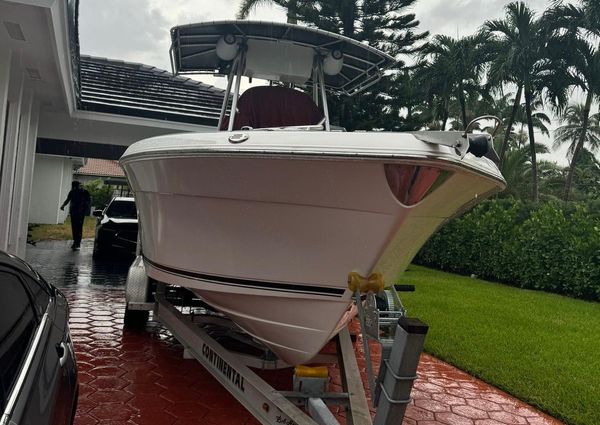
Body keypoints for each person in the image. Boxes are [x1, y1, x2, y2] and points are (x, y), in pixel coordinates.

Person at [60, 181, 91, 250]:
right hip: (78, 213)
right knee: (78, 228)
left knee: (75, 228)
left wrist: (63, 206)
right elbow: (88, 202)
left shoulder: (78, 192)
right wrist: (87, 211)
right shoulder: (83, 192)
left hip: (75, 213)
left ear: (73, 186)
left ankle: (76, 243)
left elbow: (68, 200)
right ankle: (77, 243)